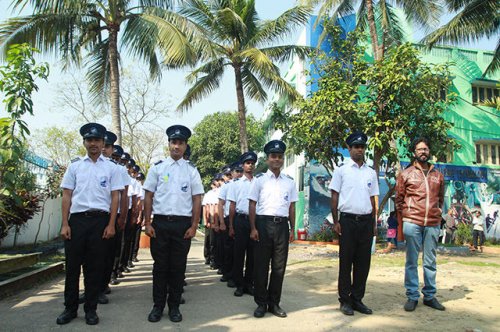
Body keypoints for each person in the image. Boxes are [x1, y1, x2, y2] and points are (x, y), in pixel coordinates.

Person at [57, 123, 123, 325]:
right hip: (76, 222)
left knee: (95, 268)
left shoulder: (112, 168)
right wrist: (65, 224)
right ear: (84, 142)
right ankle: (70, 309)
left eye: (97, 140)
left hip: (100, 222)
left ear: (103, 143)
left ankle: (91, 310)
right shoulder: (75, 166)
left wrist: (111, 224)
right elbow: (67, 195)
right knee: (73, 268)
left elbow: (115, 198)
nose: (93, 143)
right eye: (89, 140)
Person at [143, 125, 204, 323]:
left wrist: (194, 225)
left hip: (182, 226)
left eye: (180, 143)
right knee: (160, 267)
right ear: (169, 144)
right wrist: (147, 222)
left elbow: (197, 199)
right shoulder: (158, 168)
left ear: (186, 146)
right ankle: (157, 306)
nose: (176, 146)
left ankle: (174, 307)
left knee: (178, 267)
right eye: (173, 142)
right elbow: (148, 196)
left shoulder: (192, 171)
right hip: (160, 224)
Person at [329, 131, 379, 316]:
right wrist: (336, 221)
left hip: (366, 222)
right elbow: (334, 196)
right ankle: (345, 301)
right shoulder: (341, 170)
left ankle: (357, 299)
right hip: (348, 221)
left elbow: (373, 199)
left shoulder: (370, 173)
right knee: (346, 263)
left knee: (363, 263)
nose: (359, 149)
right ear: (349, 149)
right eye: (356, 146)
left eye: (362, 146)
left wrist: (374, 223)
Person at [396, 137, 446, 312]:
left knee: (430, 261)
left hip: (432, 222)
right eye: (419, 149)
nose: (423, 152)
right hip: (412, 222)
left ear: (429, 151)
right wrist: (405, 218)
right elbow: (399, 200)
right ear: (414, 152)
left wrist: (438, 213)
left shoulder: (438, 176)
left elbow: (440, 199)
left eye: (425, 149)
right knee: (411, 260)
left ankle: (430, 296)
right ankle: (412, 296)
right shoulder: (406, 174)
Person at [249, 140, 298, 318]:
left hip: (282, 227)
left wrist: (293, 228)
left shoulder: (289, 182)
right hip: (262, 225)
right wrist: (253, 228)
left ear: (283, 159)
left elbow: (292, 207)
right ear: (268, 158)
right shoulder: (259, 180)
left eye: (279, 157)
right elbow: (252, 205)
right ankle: (261, 303)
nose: (276, 159)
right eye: (273, 156)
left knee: (279, 267)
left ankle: (274, 303)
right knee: (261, 266)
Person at [227, 151, 257, 297]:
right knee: (239, 253)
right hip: (240, 220)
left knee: (253, 254)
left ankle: (249, 283)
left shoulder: (258, 182)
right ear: (243, 165)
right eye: (247, 163)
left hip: (255, 222)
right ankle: (239, 284)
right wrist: (231, 226)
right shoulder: (236, 184)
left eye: (252, 163)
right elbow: (232, 205)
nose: (250, 166)